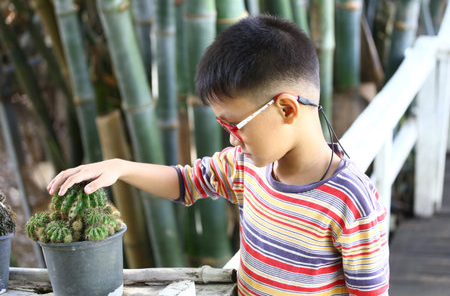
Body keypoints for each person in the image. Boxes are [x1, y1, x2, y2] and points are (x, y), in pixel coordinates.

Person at [47, 15, 389, 295]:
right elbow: (184, 182)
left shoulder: (352, 202)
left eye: (236, 124)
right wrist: (119, 167)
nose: (231, 138)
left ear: (286, 109)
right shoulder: (245, 167)